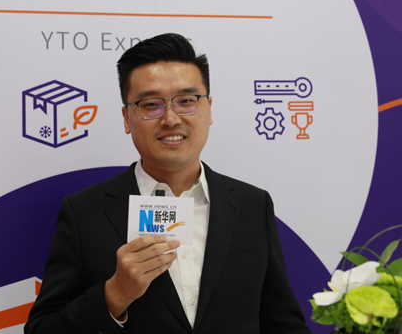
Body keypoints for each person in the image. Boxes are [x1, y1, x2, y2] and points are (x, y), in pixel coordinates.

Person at [25, 33, 310, 333]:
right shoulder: (85, 213)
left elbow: (283, 323)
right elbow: (41, 329)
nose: (171, 119)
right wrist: (114, 295)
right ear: (126, 118)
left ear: (209, 109)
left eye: (186, 101)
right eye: (151, 105)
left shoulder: (252, 205)